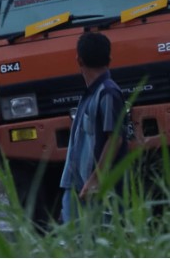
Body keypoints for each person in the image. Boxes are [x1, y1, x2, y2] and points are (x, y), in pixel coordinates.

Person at [59, 31, 128, 223]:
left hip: (97, 189)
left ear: (78, 60)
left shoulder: (108, 93)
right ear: (110, 59)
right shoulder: (91, 94)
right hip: (78, 186)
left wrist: (95, 180)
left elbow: (115, 139)